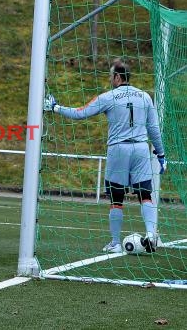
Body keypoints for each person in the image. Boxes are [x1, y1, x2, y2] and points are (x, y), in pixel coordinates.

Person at [44, 58, 167, 254]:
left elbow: (81, 113)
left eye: (112, 76)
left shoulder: (108, 97)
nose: (111, 79)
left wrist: (55, 108)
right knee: (145, 195)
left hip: (119, 149)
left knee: (116, 199)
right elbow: (153, 128)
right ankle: (151, 234)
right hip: (142, 149)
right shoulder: (145, 97)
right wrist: (160, 154)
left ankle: (116, 243)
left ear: (117, 77)